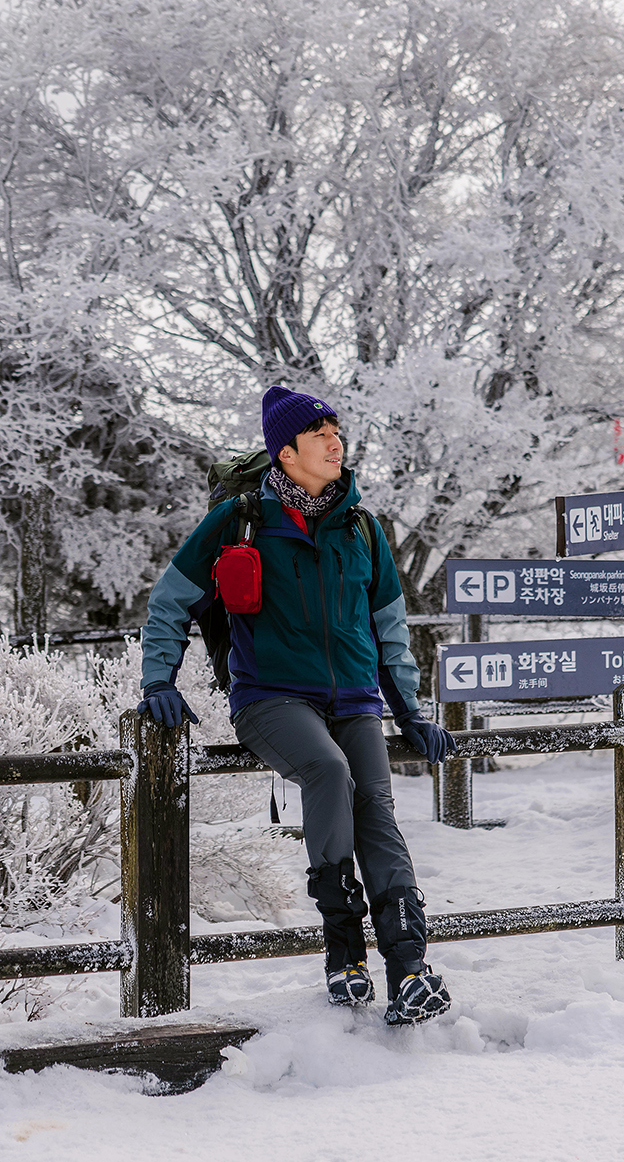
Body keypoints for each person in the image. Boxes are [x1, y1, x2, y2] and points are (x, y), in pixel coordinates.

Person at [138, 385, 457, 1025]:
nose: (336, 443)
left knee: (377, 805)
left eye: (338, 432)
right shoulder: (241, 521)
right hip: (270, 698)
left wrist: (412, 712)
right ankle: (344, 956)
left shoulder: (363, 529)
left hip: (357, 699)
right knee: (328, 771)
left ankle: (410, 970)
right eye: (320, 434)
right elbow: (171, 600)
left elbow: (389, 629)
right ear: (285, 452)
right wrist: (158, 683)